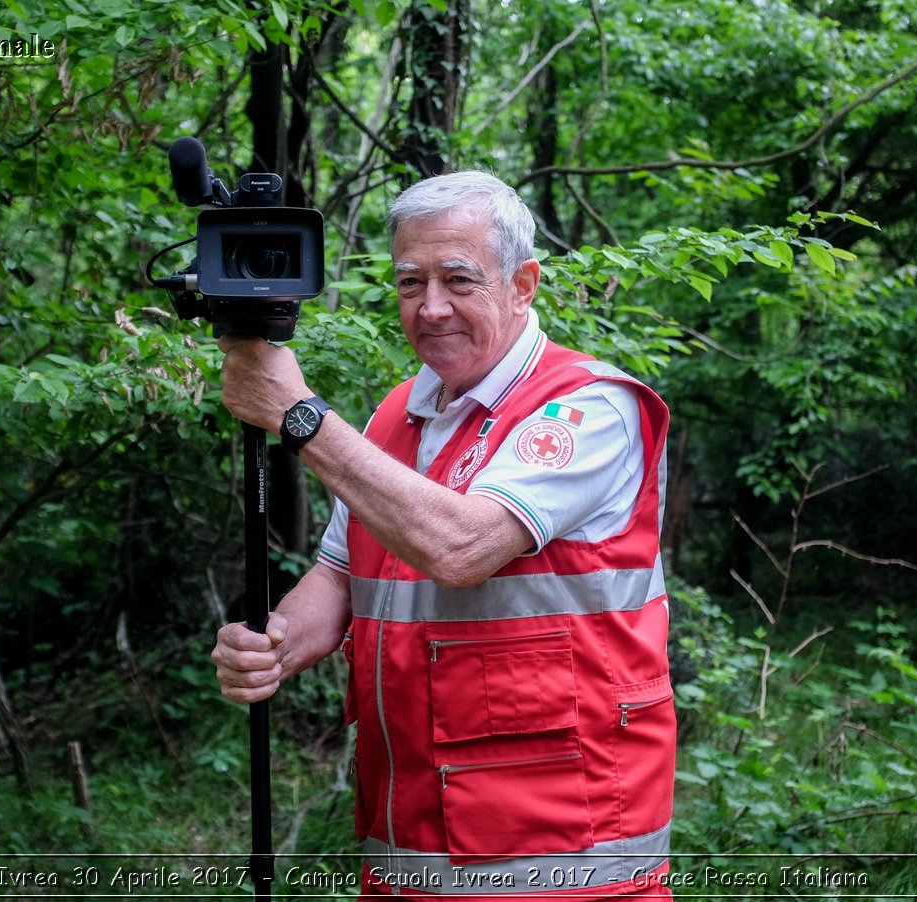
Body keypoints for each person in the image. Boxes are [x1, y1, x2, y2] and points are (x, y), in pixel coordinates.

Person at [212, 171, 676, 899]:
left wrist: (298, 415)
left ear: (524, 284)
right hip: (411, 859)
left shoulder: (589, 408)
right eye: (409, 283)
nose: (431, 308)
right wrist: (273, 644)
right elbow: (340, 572)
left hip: (560, 861)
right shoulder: (393, 418)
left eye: (458, 280)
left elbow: (462, 548)